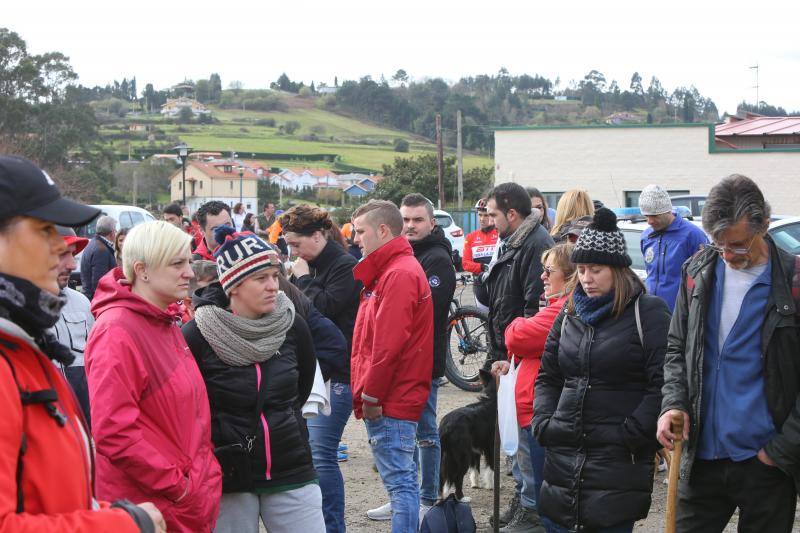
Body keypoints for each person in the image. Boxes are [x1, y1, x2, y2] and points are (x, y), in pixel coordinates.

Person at [0, 155, 165, 532]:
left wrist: (102, 512)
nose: (63, 250)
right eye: (44, 229)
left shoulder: (23, 344)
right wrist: (123, 524)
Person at [657, 175, 800, 532]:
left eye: (737, 245)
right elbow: (676, 347)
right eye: (718, 245)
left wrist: (781, 450)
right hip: (702, 454)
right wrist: (673, 403)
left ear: (764, 224)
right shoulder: (697, 271)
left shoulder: (795, 283)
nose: (727, 256)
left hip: (766, 460)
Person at [533, 208, 670, 532]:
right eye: (580, 270)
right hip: (564, 455)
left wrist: (632, 433)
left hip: (617, 462)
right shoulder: (569, 313)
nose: (586, 278)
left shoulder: (647, 312)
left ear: (619, 269)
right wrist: (545, 421)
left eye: (595, 269)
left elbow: (662, 381)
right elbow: (549, 375)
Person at [182, 228, 324, 533]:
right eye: (261, 279)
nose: (274, 286)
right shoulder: (198, 335)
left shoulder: (292, 326)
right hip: (229, 474)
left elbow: (299, 391)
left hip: (290, 466)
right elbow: (191, 407)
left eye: (275, 275)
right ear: (233, 285)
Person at [86, 221, 222, 533]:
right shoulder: (117, 331)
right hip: (153, 507)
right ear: (142, 270)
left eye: (188, 261)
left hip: (179, 502)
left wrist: (203, 476)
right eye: (177, 263)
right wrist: (180, 485)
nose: (189, 272)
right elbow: (114, 432)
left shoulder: (164, 321)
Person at [362, 194, 456, 521]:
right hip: (407, 367)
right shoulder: (402, 260)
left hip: (421, 365)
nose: (412, 226)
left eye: (418, 220)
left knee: (426, 435)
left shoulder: (433, 261)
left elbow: (420, 320)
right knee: (408, 447)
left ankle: (426, 497)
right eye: (408, 220)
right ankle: (410, 497)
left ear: (432, 223)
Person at [350, 199, 434, 533]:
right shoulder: (392, 270)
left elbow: (387, 347)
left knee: (401, 485)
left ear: (383, 230)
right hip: (394, 395)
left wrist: (371, 397)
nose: (356, 239)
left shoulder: (397, 274)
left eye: (360, 231)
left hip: (391, 399)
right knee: (402, 483)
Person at [281, 205, 361, 533]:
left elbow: (323, 309)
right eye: (288, 245)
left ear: (318, 236)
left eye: (296, 244)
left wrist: (299, 278)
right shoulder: (313, 264)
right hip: (319, 370)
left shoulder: (345, 266)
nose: (292, 252)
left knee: (322, 453)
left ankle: (332, 526)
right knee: (317, 453)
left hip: (340, 373)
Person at [493, 243, 576, 533]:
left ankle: (534, 518)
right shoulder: (556, 308)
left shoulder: (561, 312)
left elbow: (517, 338)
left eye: (549, 271)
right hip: (533, 409)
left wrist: (517, 322)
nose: (543, 277)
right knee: (531, 478)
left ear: (570, 277)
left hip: (539, 413)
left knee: (543, 490)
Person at [484, 182, 554, 365]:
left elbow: (535, 309)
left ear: (512, 214)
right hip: (505, 354)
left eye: (493, 215)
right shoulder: (513, 241)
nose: (490, 222)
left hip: (517, 359)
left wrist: (515, 357)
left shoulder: (536, 245)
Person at [639, 184, 708, 312]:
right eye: (646, 216)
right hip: (651, 314)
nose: (649, 221)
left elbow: (705, 278)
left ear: (667, 211)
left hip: (680, 315)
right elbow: (650, 274)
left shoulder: (692, 235)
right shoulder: (646, 237)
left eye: (654, 216)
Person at [51, 226, 93, 424]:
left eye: (73, 254)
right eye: (62, 254)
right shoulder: (15, 309)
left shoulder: (82, 302)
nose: (72, 265)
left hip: (83, 419)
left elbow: (93, 360)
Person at [80, 214, 117, 300]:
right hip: (96, 300)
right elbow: (99, 282)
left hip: (91, 297)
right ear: (112, 233)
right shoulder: (101, 249)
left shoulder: (95, 243)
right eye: (115, 230)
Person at [462, 198, 499, 276]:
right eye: (480, 215)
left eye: (486, 215)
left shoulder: (500, 235)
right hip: (479, 282)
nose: (482, 219)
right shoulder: (470, 237)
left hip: (497, 281)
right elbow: (465, 263)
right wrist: (482, 267)